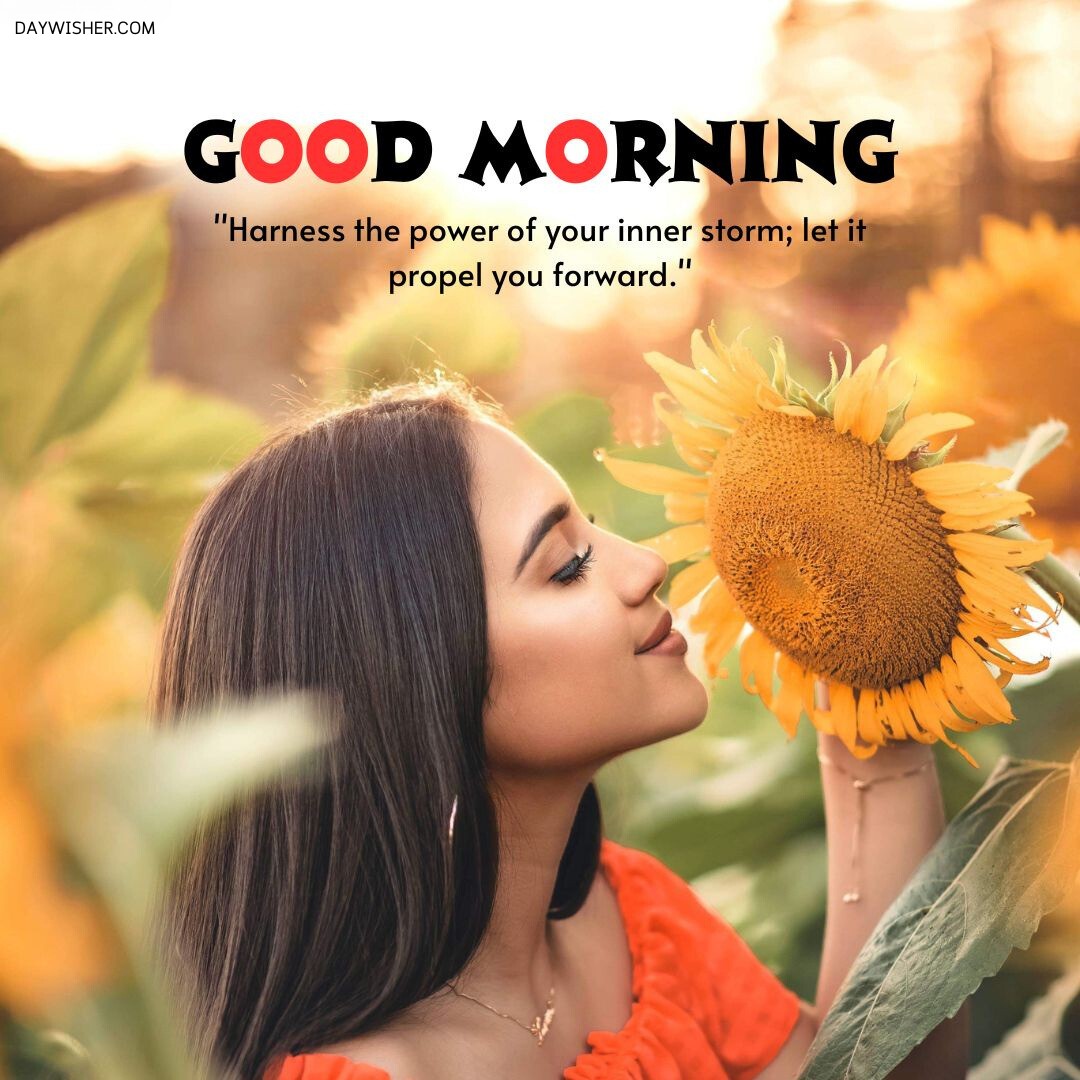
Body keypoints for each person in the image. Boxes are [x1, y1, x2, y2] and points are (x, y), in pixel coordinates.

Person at [150, 376, 969, 1080]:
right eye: (567, 564)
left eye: (593, 530)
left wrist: (872, 722)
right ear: (416, 677)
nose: (646, 565)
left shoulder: (634, 922)